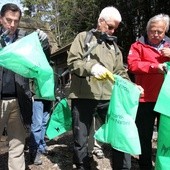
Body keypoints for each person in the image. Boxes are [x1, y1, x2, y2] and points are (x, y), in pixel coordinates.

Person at [67, 6, 142, 170]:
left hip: (108, 98)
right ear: (100, 21)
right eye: (110, 26)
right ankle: (82, 166)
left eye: (115, 28)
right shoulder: (83, 38)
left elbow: (120, 71)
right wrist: (92, 68)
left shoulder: (113, 46)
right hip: (83, 95)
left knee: (119, 133)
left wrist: (132, 86)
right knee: (81, 138)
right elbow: (73, 62)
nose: (112, 30)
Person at [0, 3, 50, 170]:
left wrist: (44, 44)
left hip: (20, 100)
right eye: (8, 20)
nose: (12, 25)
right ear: (1, 19)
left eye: (16, 21)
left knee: (17, 146)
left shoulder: (25, 39)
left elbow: (41, 61)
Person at [127, 14, 170, 170]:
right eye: (153, 31)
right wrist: (154, 67)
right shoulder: (137, 46)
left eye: (160, 31)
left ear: (166, 31)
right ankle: (145, 165)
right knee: (144, 136)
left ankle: (164, 165)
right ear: (147, 30)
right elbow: (133, 65)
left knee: (167, 135)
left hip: (167, 99)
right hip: (145, 98)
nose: (156, 34)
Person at [29, 45, 52, 165]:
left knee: (44, 123)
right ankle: (33, 152)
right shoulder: (34, 63)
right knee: (37, 125)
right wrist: (31, 94)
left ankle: (42, 146)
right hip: (37, 97)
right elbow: (29, 78)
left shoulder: (50, 64)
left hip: (49, 97)